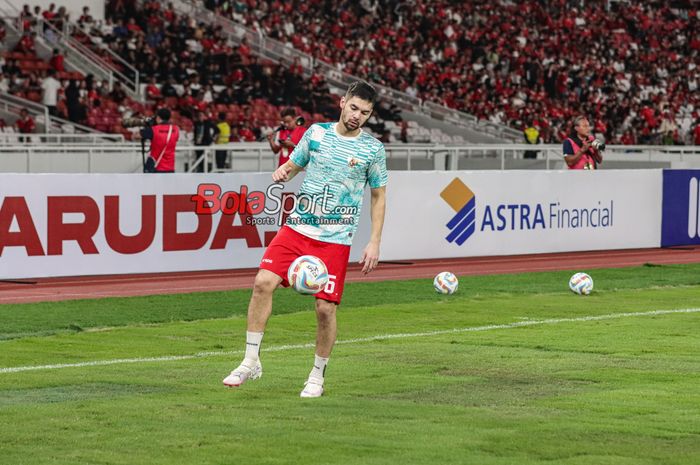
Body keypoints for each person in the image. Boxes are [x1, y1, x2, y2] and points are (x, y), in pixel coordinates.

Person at [222, 80, 388, 398]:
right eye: (354, 108)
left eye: (365, 113)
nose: (357, 116)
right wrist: (285, 171)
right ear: (342, 103)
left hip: (335, 238)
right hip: (297, 228)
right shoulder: (315, 133)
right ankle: (250, 360)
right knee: (262, 282)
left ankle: (316, 375)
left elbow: (379, 196)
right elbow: (295, 165)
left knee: (325, 309)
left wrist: (375, 241)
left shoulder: (372, 149)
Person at [141, 108, 179, 173]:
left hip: (156, 167)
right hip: (170, 167)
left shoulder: (153, 130)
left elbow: (137, 135)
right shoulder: (176, 129)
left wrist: (147, 125)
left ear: (158, 117)